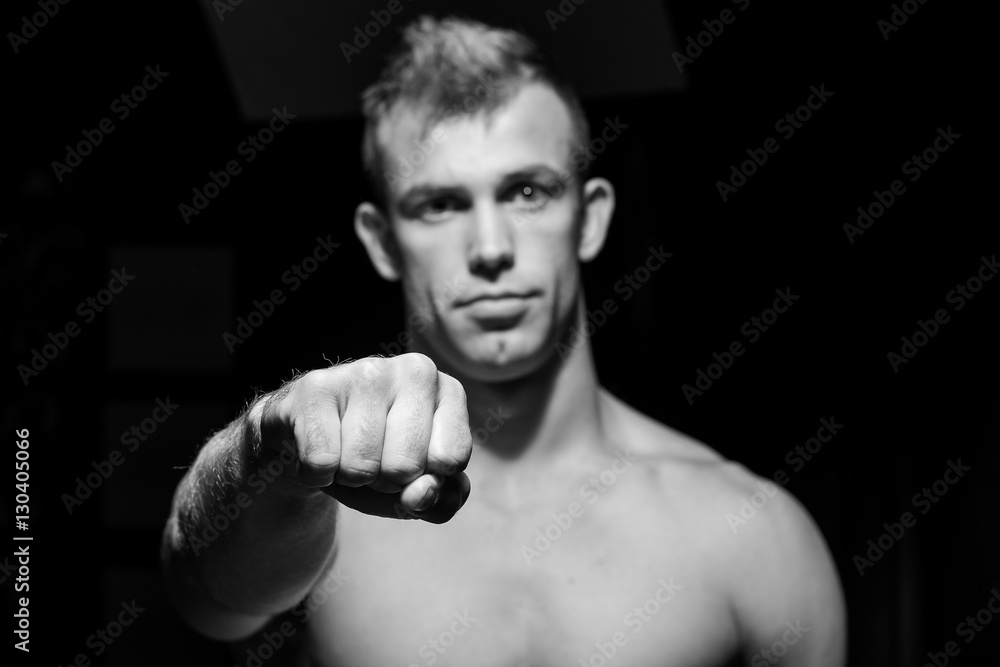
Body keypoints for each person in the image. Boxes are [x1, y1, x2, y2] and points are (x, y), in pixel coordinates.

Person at [162, 15, 846, 667]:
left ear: (590, 218)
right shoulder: (316, 509)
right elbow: (204, 597)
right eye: (440, 204)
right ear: (382, 240)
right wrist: (264, 448)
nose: (490, 249)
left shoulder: (752, 534)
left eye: (527, 192)